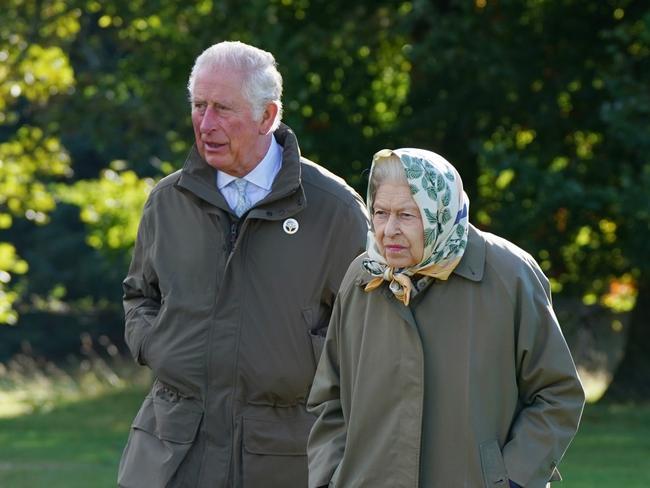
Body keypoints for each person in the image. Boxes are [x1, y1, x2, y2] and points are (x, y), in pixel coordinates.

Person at [117, 41, 368, 488]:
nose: (206, 123)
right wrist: (155, 345)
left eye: (223, 109)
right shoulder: (167, 201)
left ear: (268, 117)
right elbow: (140, 294)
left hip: (285, 458)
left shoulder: (335, 210)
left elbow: (367, 324)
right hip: (171, 453)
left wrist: (307, 359)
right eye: (199, 106)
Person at [307, 148, 585, 488]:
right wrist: (330, 478)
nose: (389, 230)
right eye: (380, 213)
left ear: (440, 212)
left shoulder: (509, 276)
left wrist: (513, 480)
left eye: (407, 215)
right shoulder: (362, 277)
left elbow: (557, 394)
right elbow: (328, 398)